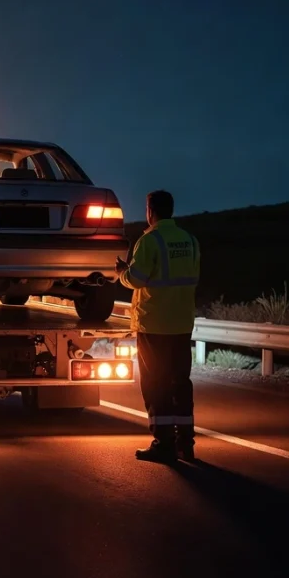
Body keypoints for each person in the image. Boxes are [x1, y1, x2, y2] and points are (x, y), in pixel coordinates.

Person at [115, 190, 200, 463]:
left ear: (150, 210)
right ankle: (185, 444)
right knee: (180, 384)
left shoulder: (150, 240)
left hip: (154, 324)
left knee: (156, 385)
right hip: (181, 323)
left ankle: (163, 444)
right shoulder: (189, 240)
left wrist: (121, 272)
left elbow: (137, 279)